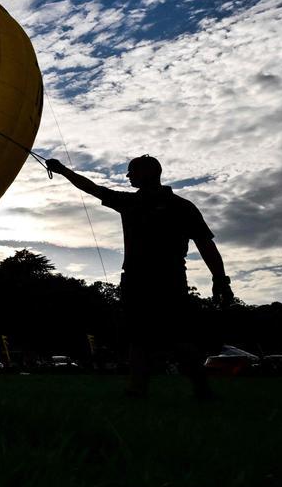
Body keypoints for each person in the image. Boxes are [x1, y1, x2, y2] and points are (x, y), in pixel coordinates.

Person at [47, 154, 234, 398]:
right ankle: (149, 389)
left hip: (159, 278)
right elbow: (92, 188)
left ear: (147, 173)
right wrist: (219, 279)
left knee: (169, 336)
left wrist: (220, 279)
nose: (127, 176)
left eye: (131, 171)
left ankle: (188, 389)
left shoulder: (166, 205)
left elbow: (205, 244)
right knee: (145, 336)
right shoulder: (171, 204)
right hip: (155, 277)